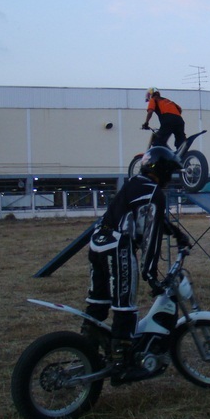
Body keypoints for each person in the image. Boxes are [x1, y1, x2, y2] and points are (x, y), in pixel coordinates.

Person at [84, 146, 190, 384]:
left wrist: (177, 233)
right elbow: (152, 236)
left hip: (98, 242)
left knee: (98, 304)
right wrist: (150, 274)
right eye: (170, 172)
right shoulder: (154, 193)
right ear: (162, 170)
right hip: (117, 246)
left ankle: (85, 350)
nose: (170, 178)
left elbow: (153, 219)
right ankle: (121, 365)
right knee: (125, 308)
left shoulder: (134, 183)